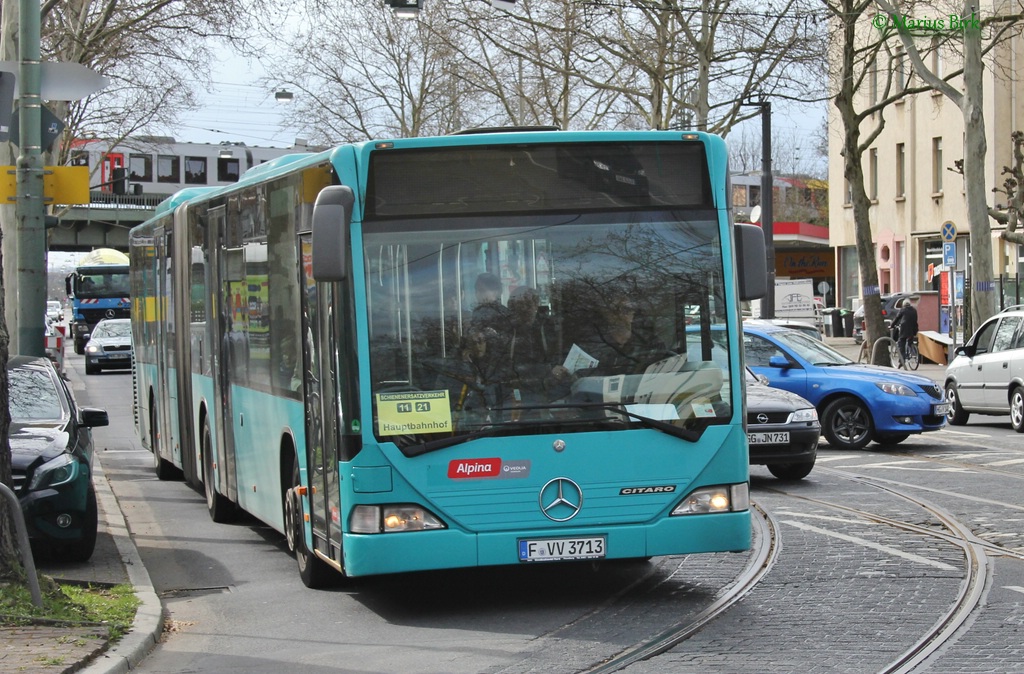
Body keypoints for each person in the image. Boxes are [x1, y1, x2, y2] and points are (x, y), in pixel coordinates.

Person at [892, 294, 920, 362]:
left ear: (903, 305)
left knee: (901, 342)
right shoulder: (914, 310)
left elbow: (897, 318)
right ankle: (913, 352)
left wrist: (892, 325)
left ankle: (902, 359)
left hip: (904, 329)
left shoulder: (903, 310)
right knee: (910, 341)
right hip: (913, 329)